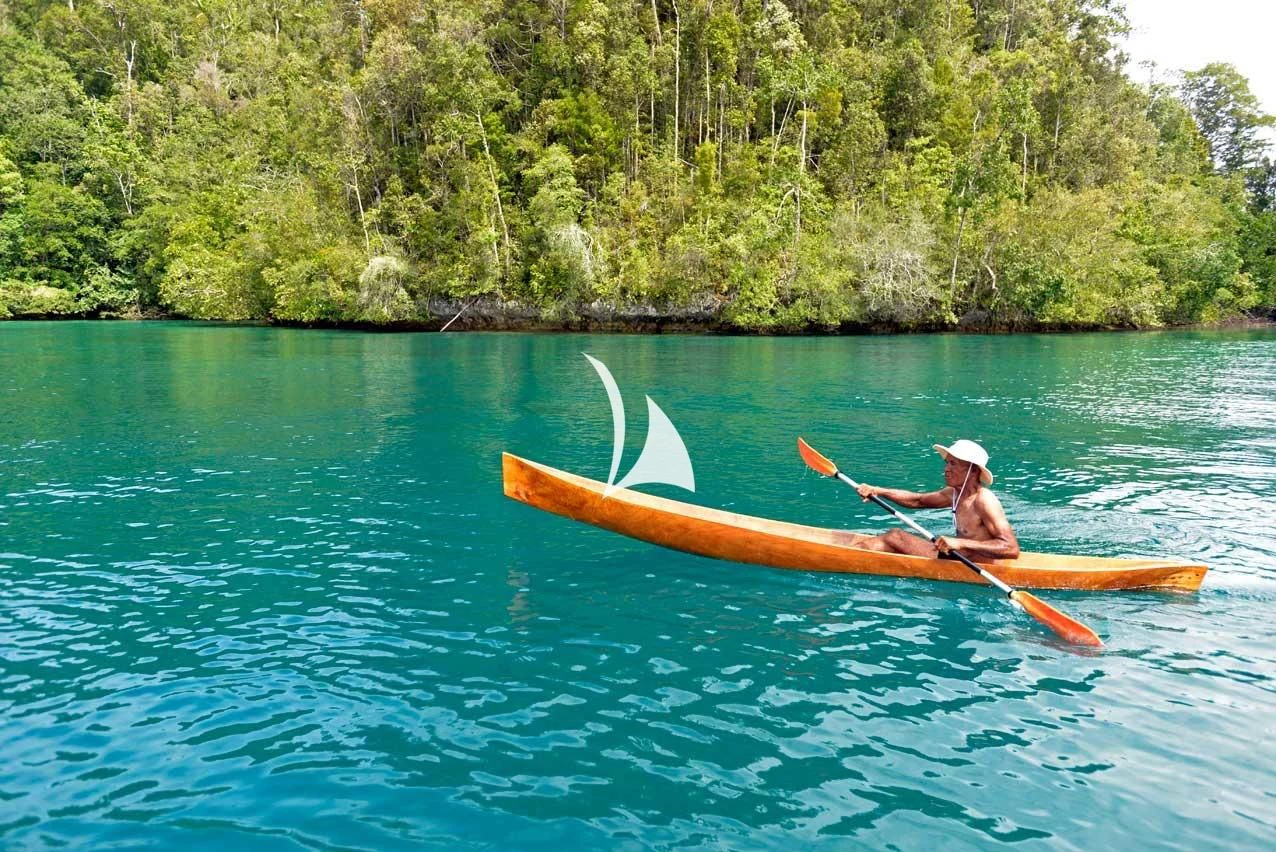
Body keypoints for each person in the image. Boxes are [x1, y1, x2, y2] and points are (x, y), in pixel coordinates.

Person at [845, 439, 1020, 560]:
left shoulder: (984, 501)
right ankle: (843, 554)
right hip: (954, 557)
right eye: (947, 463)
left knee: (895, 536)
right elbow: (917, 501)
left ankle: (839, 555)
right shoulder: (954, 493)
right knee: (890, 542)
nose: (946, 469)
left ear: (972, 471)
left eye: (953, 464)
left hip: (973, 564)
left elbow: (1011, 548)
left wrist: (959, 543)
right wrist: (878, 491)